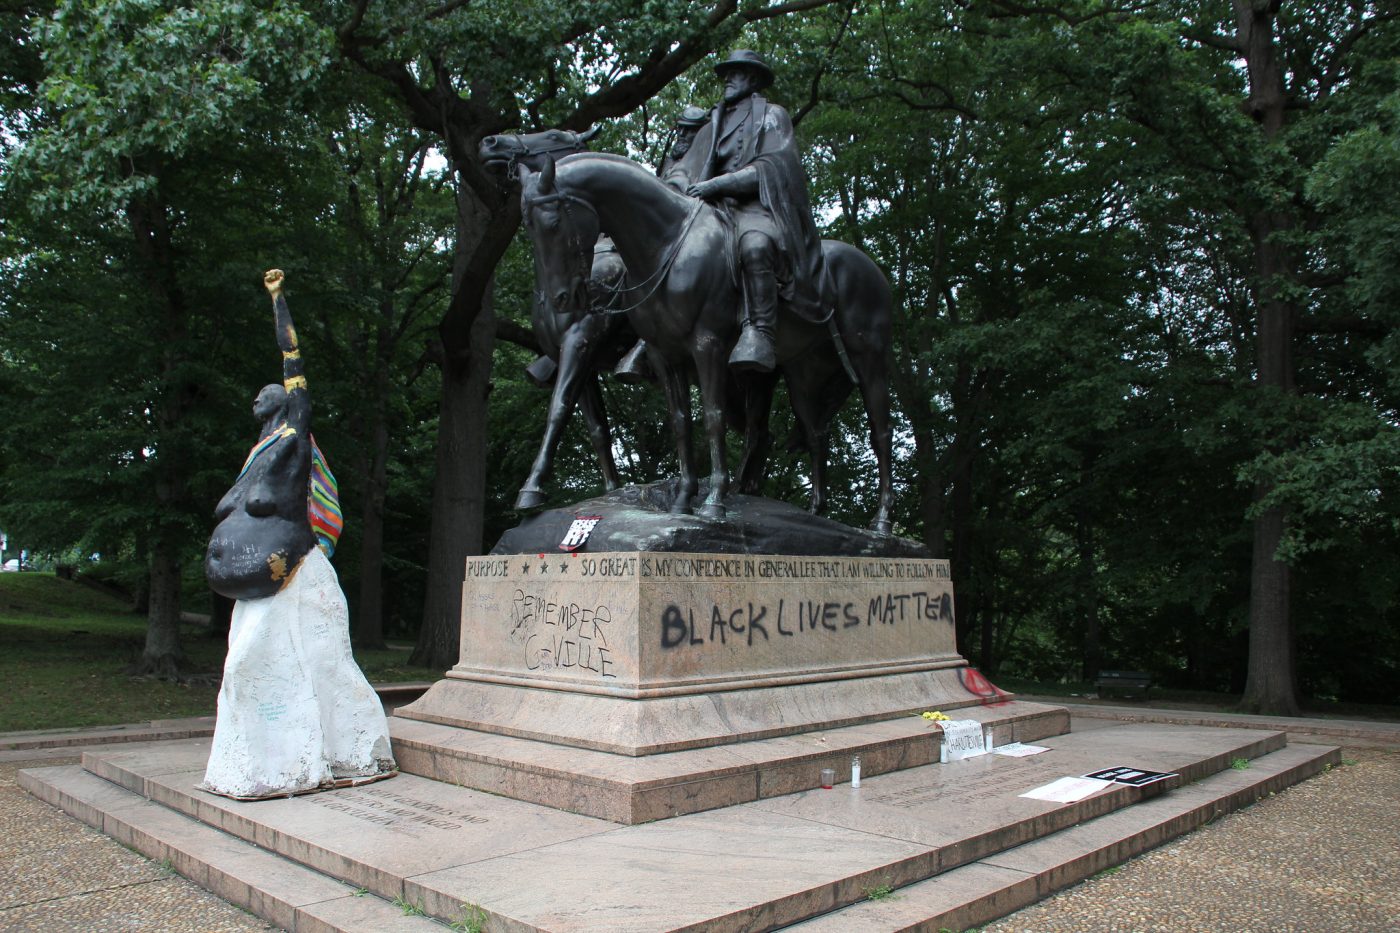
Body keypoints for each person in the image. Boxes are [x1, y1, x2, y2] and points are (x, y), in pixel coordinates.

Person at [201, 269, 394, 800]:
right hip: (258, 595)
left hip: (297, 581)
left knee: (260, 667)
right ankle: (267, 763)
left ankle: (319, 755)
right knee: (243, 668)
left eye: (267, 394)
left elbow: (293, 364)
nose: (257, 399)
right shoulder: (256, 456)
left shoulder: (294, 437)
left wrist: (278, 300)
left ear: (285, 403)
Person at [667, 50, 835, 372]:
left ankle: (760, 332)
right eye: (726, 73)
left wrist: (718, 184)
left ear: (754, 78)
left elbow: (775, 165)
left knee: (755, 245)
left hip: (755, 208)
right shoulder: (710, 125)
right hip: (708, 210)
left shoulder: (773, 115)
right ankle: (651, 337)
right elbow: (685, 170)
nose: (727, 78)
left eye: (736, 72)